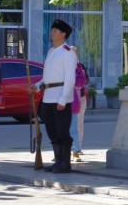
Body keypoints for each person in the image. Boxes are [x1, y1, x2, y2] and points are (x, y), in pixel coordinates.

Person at [32, 19, 77, 173]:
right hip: (48, 97)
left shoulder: (68, 52)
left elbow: (70, 78)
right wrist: (37, 86)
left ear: (64, 34)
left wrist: (63, 99)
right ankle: (58, 160)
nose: (52, 33)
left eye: (55, 31)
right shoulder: (51, 51)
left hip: (60, 97)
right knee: (51, 130)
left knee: (62, 131)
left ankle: (65, 162)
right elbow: (48, 77)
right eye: (52, 30)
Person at [69, 46, 88, 162]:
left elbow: (82, 82)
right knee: (61, 128)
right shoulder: (62, 66)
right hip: (62, 100)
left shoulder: (79, 67)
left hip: (76, 99)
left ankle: (76, 150)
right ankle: (59, 152)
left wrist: (70, 82)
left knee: (76, 125)